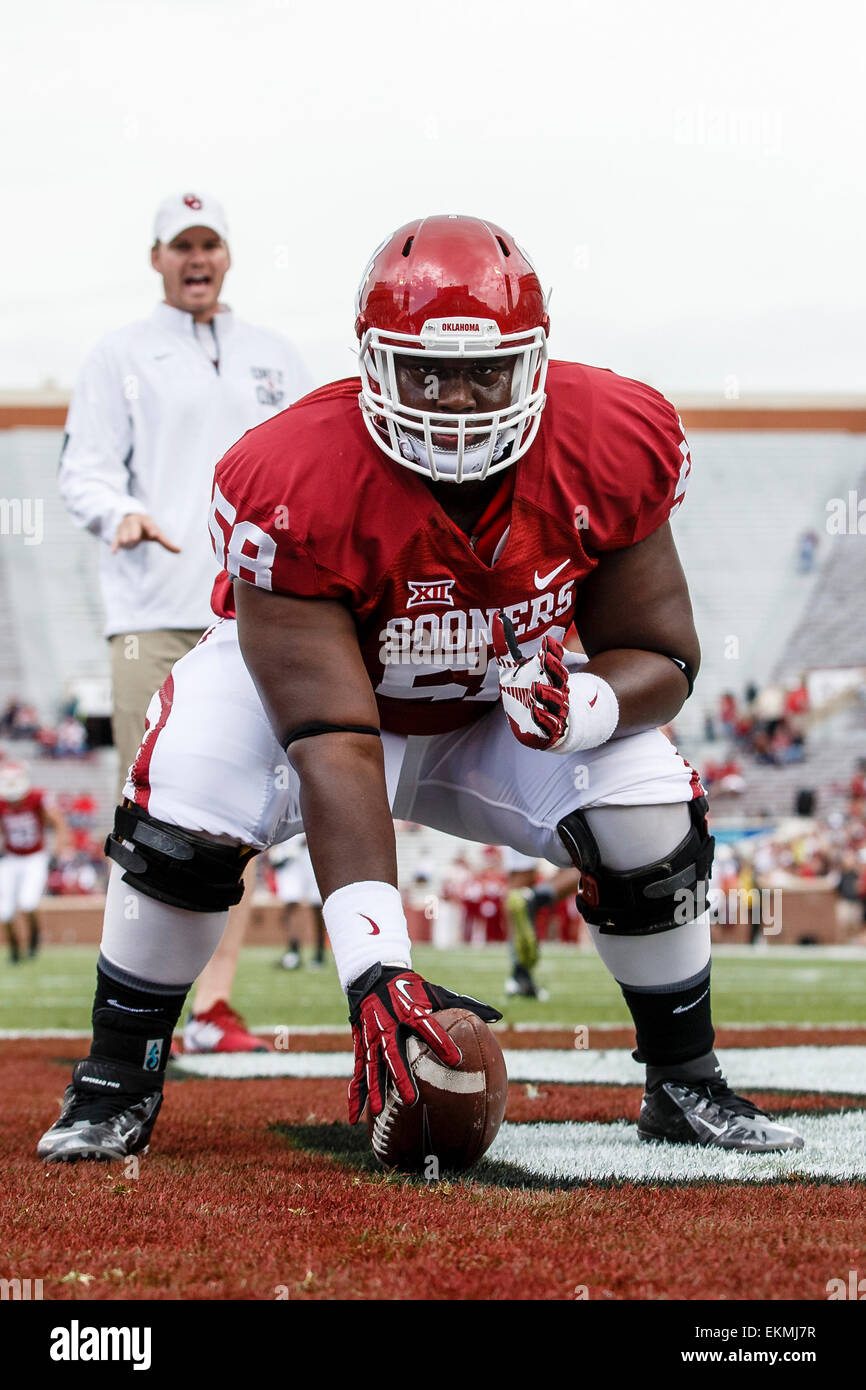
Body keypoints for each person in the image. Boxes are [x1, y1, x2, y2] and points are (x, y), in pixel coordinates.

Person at [38, 214, 803, 1162]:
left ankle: (686, 1082)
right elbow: (332, 736)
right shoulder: (294, 475)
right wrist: (376, 968)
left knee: (649, 808)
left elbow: (665, 655)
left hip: (490, 712)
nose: (457, 399)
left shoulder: (609, 437)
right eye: (425, 371)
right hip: (308, 717)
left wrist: (585, 708)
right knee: (180, 809)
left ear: (535, 361)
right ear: (370, 361)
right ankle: (115, 1081)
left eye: (487, 370)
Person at [57, 191, 311, 1052]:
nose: (196, 259)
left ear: (227, 255)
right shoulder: (118, 355)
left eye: (210, 244)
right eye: (181, 246)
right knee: (155, 819)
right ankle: (146, 1009)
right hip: (152, 608)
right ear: (157, 257)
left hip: (258, 608)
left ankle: (212, 1008)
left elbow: (315, 468)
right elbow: (84, 469)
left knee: (245, 811)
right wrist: (120, 513)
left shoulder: (279, 358)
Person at [0, 762, 70, 961]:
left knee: (28, 903)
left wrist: (58, 851)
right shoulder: (2, 802)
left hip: (34, 857)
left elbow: (58, 822)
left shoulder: (38, 798)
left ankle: (33, 940)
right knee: (4, 911)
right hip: (10, 858)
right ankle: (14, 950)